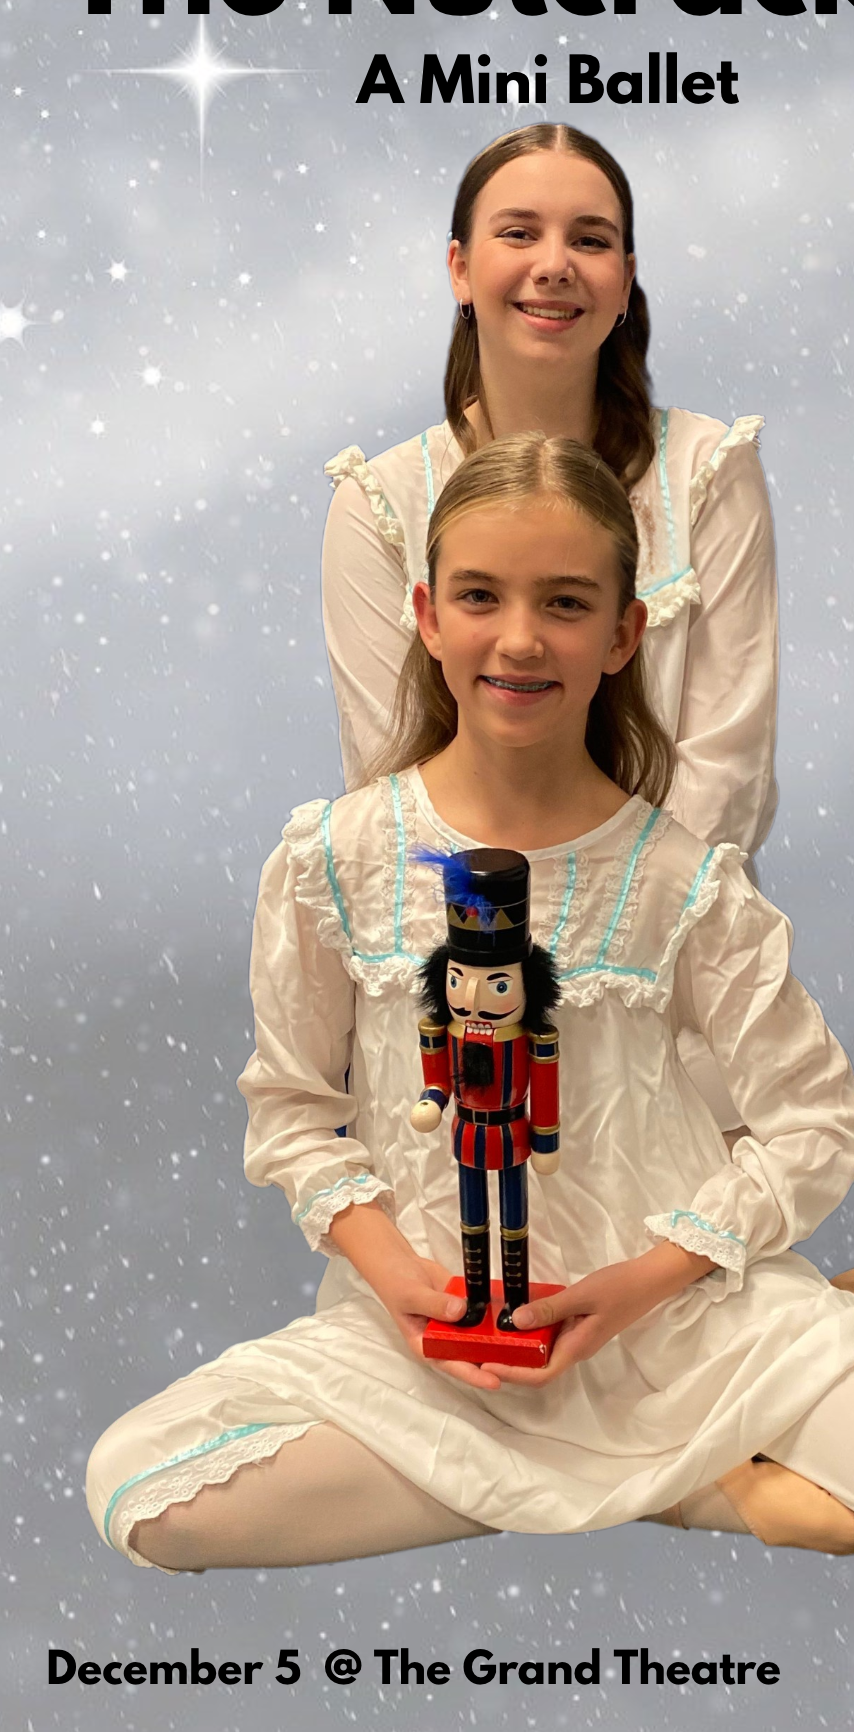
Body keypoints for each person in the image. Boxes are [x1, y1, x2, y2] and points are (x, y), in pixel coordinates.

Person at [85, 436, 854, 1580]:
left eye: (566, 602)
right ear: (429, 616)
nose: (521, 638)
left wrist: (643, 1284)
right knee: (143, 1498)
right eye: (482, 598)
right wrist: (401, 1285)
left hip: (677, 1327)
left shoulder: (683, 883)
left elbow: (818, 1124)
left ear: (623, 634)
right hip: (425, 1335)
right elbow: (293, 1113)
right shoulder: (332, 860)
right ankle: (699, 1485)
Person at [321, 120, 775, 1140]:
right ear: (460, 268)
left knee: (681, 1288)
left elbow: (725, 773)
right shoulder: (383, 504)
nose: (554, 266)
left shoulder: (706, 476)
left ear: (624, 279)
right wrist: (506, 969)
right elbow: (394, 785)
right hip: (464, 978)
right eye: (519, 232)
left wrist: (613, 972)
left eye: (592, 238)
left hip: (676, 983)